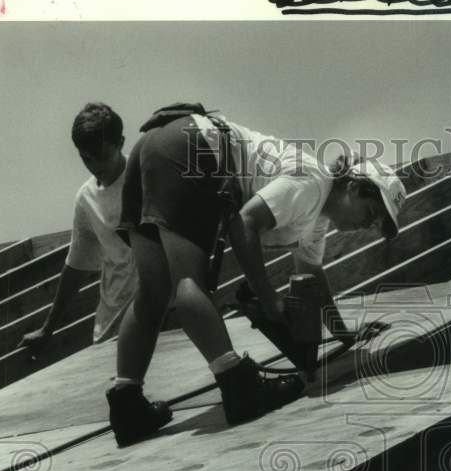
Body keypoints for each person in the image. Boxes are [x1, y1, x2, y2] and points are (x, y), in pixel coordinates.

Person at [107, 104, 406, 446]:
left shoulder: (316, 222)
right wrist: (268, 297)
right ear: (355, 186)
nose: (367, 226)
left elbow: (313, 276)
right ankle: (238, 384)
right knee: (188, 282)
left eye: (375, 226)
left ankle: (128, 405)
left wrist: (344, 336)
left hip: (156, 145)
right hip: (194, 146)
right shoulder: (312, 183)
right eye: (371, 213)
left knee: (153, 291)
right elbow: (245, 223)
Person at [19, 103, 137, 355]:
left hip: (161, 317)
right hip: (112, 326)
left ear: (121, 142)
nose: (95, 166)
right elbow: (76, 266)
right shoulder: (86, 199)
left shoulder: (144, 176)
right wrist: (47, 329)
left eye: (102, 156)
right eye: (86, 158)